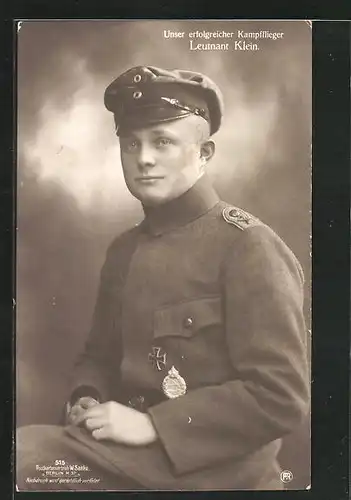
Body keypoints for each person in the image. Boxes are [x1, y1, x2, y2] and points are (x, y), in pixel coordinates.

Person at [16, 65, 310, 491]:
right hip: (128, 454)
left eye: (163, 142)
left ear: (205, 154)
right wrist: (88, 396)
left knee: (23, 464)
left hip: (215, 471)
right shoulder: (124, 250)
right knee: (20, 457)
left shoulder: (249, 246)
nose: (144, 158)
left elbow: (281, 397)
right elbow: (98, 355)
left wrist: (154, 425)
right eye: (131, 143)